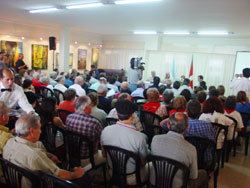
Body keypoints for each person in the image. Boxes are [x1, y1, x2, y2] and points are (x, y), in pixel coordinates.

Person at [3, 114, 89, 188]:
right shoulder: (35, 155)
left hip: (14, 183)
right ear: (32, 131)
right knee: (85, 178)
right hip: (42, 185)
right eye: (39, 128)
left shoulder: (9, 142)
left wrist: (46, 155)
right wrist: (76, 174)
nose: (40, 132)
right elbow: (59, 174)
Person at [151, 112, 209, 188]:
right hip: (178, 186)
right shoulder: (191, 149)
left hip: (154, 182)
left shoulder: (155, 139)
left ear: (168, 125)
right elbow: (193, 176)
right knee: (203, 174)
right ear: (187, 127)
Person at [101, 100, 148, 185]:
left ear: (117, 114)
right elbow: (143, 162)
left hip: (112, 173)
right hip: (133, 177)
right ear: (133, 115)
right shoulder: (140, 137)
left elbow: (104, 154)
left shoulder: (105, 130)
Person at [66, 96, 105, 167]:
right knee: (108, 155)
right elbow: (103, 141)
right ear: (86, 108)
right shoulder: (94, 122)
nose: (92, 106)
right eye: (91, 105)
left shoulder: (69, 117)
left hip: (70, 155)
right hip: (88, 159)